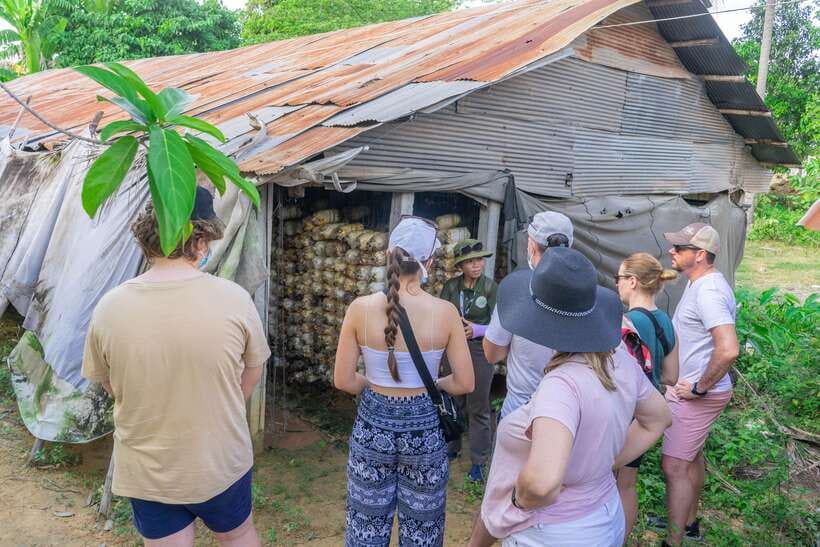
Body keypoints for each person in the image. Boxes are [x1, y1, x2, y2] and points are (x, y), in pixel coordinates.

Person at [81, 187, 270, 546]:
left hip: (149, 467)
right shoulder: (234, 300)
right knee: (238, 535)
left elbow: (109, 384)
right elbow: (252, 372)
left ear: (149, 236)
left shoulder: (109, 307)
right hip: (220, 459)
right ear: (200, 240)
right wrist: (222, 404)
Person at [469, 247, 671, 547]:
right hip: (602, 515)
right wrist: (602, 463)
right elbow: (659, 418)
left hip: (552, 532)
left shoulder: (561, 385)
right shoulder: (618, 360)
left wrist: (517, 498)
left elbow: (543, 483)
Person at [334, 216, 474, 547]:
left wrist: (371, 385)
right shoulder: (446, 312)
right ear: (429, 262)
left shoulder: (360, 308)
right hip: (425, 432)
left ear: (388, 256)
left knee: (366, 527)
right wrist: (434, 386)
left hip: (372, 429)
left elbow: (343, 380)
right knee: (422, 532)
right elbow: (465, 383)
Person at [656, 223, 739, 546]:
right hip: (697, 391)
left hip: (697, 395)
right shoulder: (700, 283)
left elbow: (728, 348)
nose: (671, 252)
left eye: (679, 248)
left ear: (700, 254)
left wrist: (700, 388)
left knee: (673, 464)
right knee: (690, 457)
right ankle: (687, 523)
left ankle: (674, 541)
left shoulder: (709, 292)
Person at [614, 252, 680, 542]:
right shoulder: (665, 320)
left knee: (599, 480)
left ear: (632, 281)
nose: (616, 284)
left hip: (621, 414)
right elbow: (671, 376)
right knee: (627, 484)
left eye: (619, 278)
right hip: (646, 416)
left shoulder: (627, 323)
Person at [484, 211, 573, 420]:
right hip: (567, 409)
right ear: (571, 247)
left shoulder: (516, 290)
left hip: (520, 409)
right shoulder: (586, 293)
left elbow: (492, 354)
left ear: (531, 246)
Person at [439, 238, 497, 482]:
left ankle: (479, 461)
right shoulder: (451, 288)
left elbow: (499, 325)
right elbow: (440, 315)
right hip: (452, 349)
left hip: (479, 350)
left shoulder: (490, 287)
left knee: (478, 407)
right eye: (470, 261)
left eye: (479, 260)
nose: (477, 265)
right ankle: (451, 448)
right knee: (453, 400)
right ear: (461, 265)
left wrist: (478, 330)